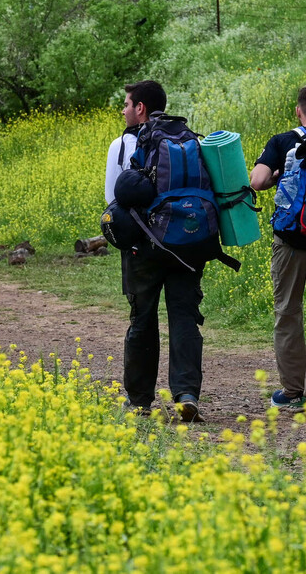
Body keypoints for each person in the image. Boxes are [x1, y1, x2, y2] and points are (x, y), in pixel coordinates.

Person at [108, 80, 207, 423]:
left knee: (143, 320)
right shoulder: (190, 138)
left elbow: (114, 199)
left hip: (143, 248)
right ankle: (187, 393)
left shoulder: (125, 143)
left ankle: (139, 400)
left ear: (141, 109)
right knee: (185, 318)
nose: (123, 110)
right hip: (189, 244)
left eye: (126, 104)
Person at [249, 84, 306, 421]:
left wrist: (275, 176)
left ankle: (292, 392)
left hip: (289, 241)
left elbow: (257, 181)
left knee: (288, 313)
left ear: (298, 110)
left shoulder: (282, 141)